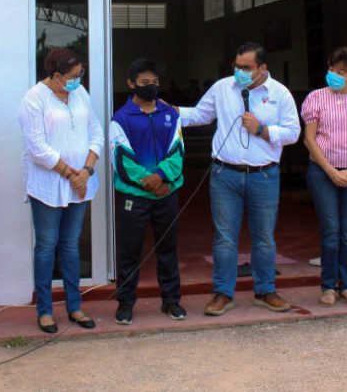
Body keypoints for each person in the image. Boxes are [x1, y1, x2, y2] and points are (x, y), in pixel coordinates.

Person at [179, 42, 301, 316]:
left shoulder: (279, 93)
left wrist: (263, 130)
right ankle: (223, 294)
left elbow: (293, 132)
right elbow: (200, 115)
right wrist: (168, 111)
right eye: (237, 66)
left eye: (246, 68)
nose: (239, 72)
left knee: (264, 238)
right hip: (225, 174)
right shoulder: (223, 87)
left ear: (262, 68)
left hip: (264, 175)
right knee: (224, 238)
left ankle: (265, 291)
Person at [18, 48, 103, 333]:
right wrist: (70, 174)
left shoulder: (80, 94)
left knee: (70, 244)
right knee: (46, 246)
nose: (78, 80)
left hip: (81, 181)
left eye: (81, 74)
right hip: (48, 185)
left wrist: (86, 171)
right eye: (73, 76)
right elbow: (37, 147)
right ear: (55, 76)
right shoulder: (34, 99)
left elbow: (96, 133)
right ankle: (44, 310)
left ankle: (74, 306)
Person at [109, 58, 186, 325]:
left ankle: (171, 301)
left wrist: (162, 177)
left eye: (154, 83)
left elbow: (177, 152)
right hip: (135, 196)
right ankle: (126, 303)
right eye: (144, 83)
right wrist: (150, 181)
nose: (151, 87)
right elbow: (121, 159)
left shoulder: (170, 115)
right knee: (130, 251)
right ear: (131, 84)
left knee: (168, 249)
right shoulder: (121, 118)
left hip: (167, 193)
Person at [301, 47, 347, 306]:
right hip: (323, 172)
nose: (334, 74)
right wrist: (331, 171)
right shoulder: (316, 98)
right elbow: (309, 139)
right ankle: (328, 285)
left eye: (341, 72)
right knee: (331, 230)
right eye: (332, 69)